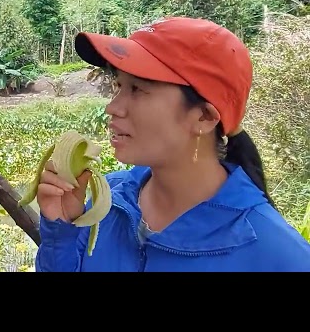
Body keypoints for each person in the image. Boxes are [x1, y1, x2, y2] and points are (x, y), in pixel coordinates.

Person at [35, 16, 310, 272]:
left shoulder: (279, 255)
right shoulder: (105, 201)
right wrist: (62, 230)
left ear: (204, 116)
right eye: (119, 87)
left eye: (138, 90)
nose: (112, 107)